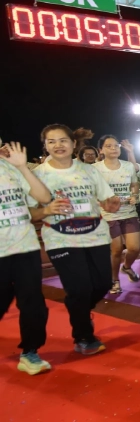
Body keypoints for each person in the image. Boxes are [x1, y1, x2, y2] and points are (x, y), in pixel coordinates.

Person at [33, 124, 121, 355]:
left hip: (96, 235)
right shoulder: (38, 175)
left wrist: (112, 202)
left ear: (74, 144)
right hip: (60, 238)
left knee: (102, 284)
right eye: (51, 141)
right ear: (45, 146)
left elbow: (107, 197)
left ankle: (79, 309)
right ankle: (83, 336)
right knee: (79, 288)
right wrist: (46, 210)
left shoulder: (89, 170)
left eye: (63, 140)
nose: (58, 145)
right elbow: (30, 211)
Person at [0, 141, 55, 375]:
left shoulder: (12, 167)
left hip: (25, 246)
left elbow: (43, 197)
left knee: (33, 302)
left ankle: (30, 352)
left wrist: (22, 167)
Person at [94, 135, 140, 294]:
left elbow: (135, 184)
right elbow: (92, 191)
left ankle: (126, 268)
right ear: (101, 150)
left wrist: (134, 195)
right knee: (116, 250)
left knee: (134, 248)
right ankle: (114, 280)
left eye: (116, 145)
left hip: (129, 212)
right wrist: (103, 202)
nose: (113, 148)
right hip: (108, 216)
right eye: (108, 146)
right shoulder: (95, 168)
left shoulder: (128, 166)